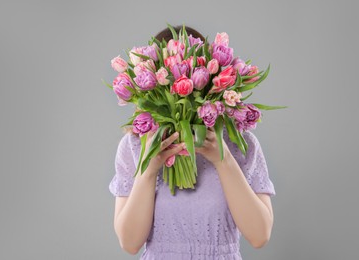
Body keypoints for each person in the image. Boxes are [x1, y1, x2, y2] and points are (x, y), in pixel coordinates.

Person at [109, 25, 276, 260]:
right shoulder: (136, 145)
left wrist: (224, 159)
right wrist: (149, 168)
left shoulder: (240, 142)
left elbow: (260, 235)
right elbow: (130, 242)